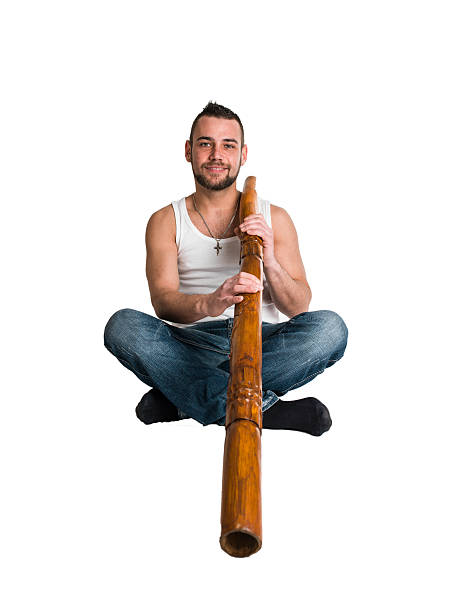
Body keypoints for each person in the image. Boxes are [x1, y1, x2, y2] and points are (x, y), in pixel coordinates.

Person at [104, 102, 348, 435]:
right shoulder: (164, 220)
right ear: (189, 151)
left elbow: (299, 307)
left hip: (263, 344)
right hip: (191, 345)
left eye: (228, 145)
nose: (216, 154)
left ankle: (183, 399)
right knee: (122, 327)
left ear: (242, 154)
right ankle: (268, 410)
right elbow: (162, 301)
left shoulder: (274, 217)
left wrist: (271, 260)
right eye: (205, 144)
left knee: (330, 329)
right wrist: (210, 302)